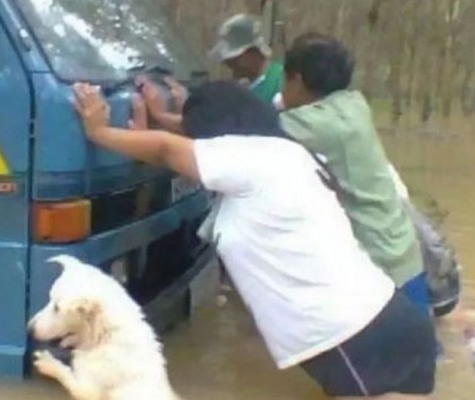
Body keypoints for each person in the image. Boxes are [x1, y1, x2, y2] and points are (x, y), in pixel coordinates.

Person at [72, 80, 436, 399]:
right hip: (387, 321)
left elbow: (169, 149)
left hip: (352, 335)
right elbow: (182, 148)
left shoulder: (255, 159)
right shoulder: (282, 154)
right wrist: (148, 127)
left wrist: (101, 133)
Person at [278, 33, 430, 316]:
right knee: (416, 352)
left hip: (380, 265)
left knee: (390, 355)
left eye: (284, 80)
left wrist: (169, 119)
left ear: (297, 81)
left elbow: (247, 129)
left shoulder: (318, 123)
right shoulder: (354, 104)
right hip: (402, 254)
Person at [139, 13, 284, 133]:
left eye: (233, 58)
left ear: (251, 53)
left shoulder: (280, 84)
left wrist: (160, 115)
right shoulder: (241, 86)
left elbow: (217, 130)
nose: (227, 63)